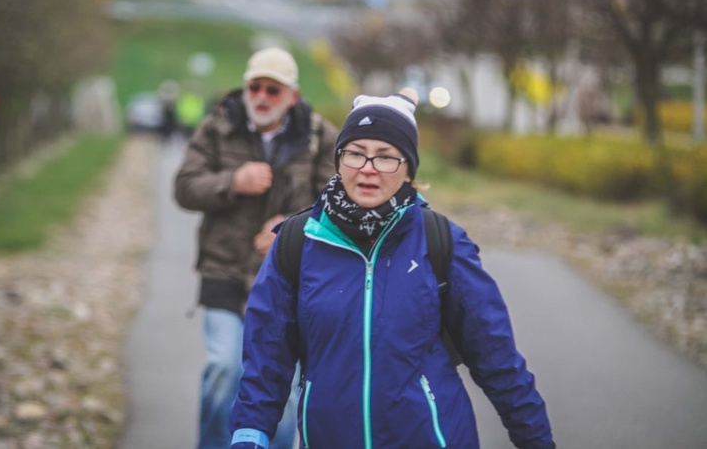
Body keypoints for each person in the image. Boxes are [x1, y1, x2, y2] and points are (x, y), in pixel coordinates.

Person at [229, 94, 556, 449]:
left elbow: (497, 357)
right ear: (338, 161)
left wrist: (536, 439)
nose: (368, 168)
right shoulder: (298, 241)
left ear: (408, 170)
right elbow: (266, 361)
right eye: (356, 153)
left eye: (386, 157)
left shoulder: (442, 241)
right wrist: (248, 437)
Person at [174, 47, 339, 449]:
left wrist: (290, 226)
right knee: (224, 368)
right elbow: (183, 188)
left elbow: (337, 200)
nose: (263, 97)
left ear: (292, 96)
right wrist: (232, 181)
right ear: (245, 89)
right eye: (255, 87)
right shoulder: (216, 127)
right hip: (223, 270)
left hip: (290, 279)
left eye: (273, 89)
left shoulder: (320, 136)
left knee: (280, 381)